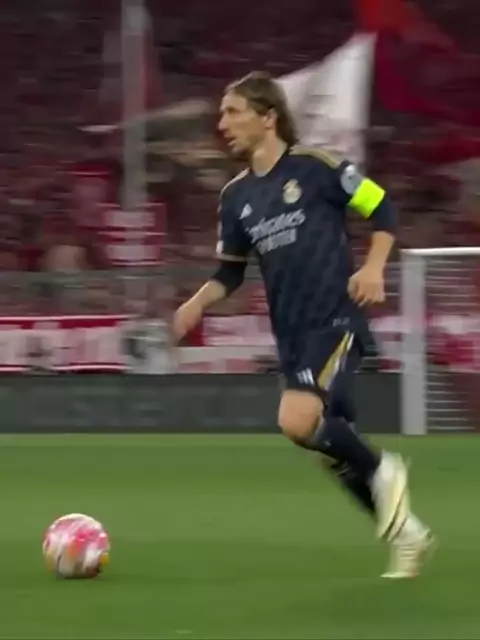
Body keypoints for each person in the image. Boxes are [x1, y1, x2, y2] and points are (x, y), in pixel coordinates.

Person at [173, 71, 435, 579]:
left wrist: (374, 267)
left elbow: (382, 208)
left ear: (268, 116)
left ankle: (386, 468)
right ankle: (408, 534)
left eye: (233, 111)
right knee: (332, 449)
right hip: (291, 335)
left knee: (296, 421)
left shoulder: (316, 168)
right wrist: (196, 302)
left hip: (333, 317)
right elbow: (230, 271)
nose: (222, 123)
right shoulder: (235, 197)